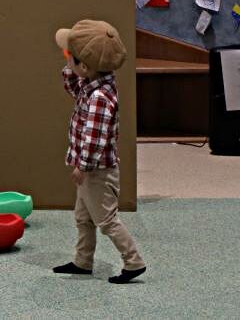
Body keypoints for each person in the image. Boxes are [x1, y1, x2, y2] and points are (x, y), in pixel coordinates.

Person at [52, 19, 146, 284]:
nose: (67, 58)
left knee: (107, 220)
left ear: (84, 66)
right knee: (83, 217)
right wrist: (71, 62)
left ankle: (133, 261)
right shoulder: (93, 83)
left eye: (70, 56)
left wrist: (82, 166)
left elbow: (95, 138)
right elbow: (72, 85)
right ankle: (83, 261)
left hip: (97, 172)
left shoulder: (99, 98)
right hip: (92, 170)